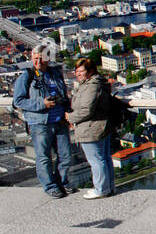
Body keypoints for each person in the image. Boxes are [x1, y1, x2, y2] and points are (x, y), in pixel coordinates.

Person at [12, 46, 74, 198]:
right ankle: (50, 186)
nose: (38, 61)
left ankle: (62, 183)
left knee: (65, 155)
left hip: (59, 121)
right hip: (39, 123)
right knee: (44, 157)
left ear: (48, 58)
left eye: (41, 58)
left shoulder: (55, 74)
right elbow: (18, 101)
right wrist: (42, 104)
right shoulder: (27, 76)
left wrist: (67, 111)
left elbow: (63, 95)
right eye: (35, 58)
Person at [66, 57, 115, 199]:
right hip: (101, 126)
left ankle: (100, 189)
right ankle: (108, 187)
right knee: (104, 158)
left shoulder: (91, 86)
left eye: (81, 71)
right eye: (76, 71)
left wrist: (71, 118)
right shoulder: (98, 83)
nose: (77, 74)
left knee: (96, 160)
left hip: (91, 128)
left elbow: (86, 110)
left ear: (91, 71)